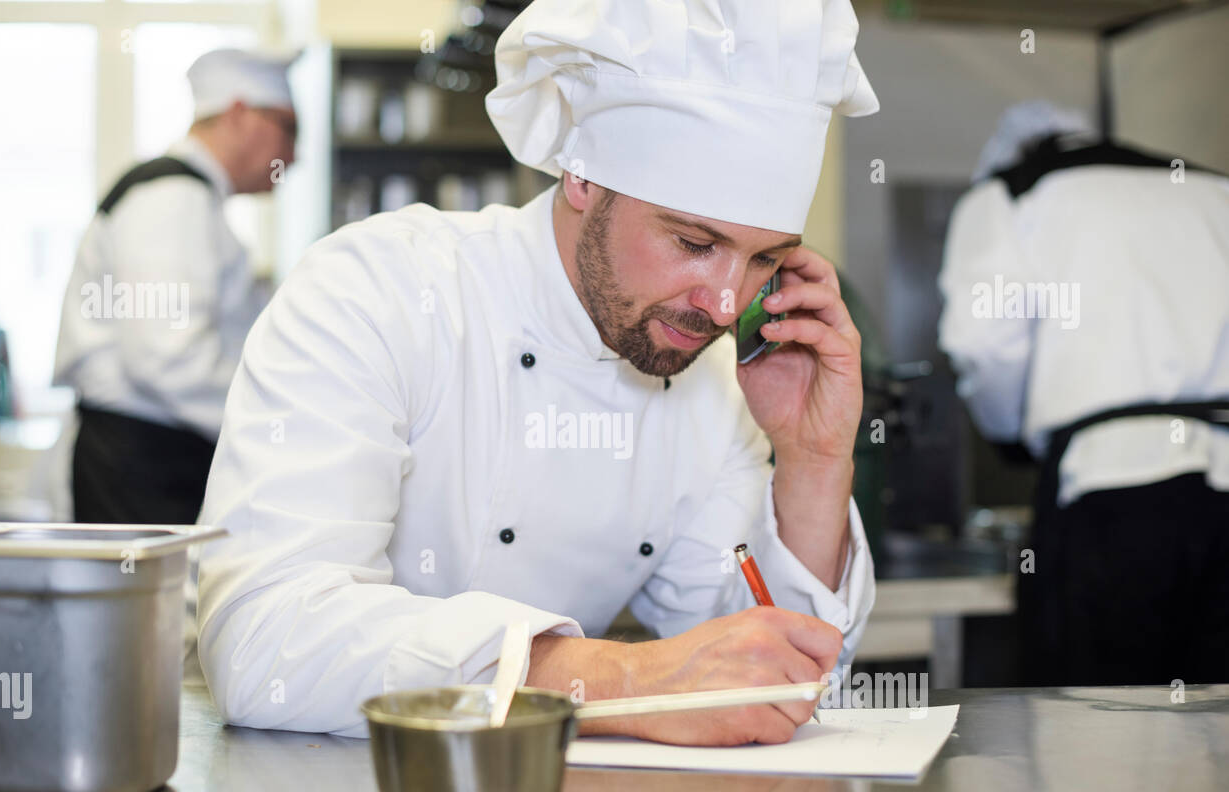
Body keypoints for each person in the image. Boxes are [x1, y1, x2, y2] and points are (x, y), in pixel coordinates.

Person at [196, 0, 880, 744]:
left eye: (765, 260)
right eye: (692, 242)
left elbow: (767, 678)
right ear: (581, 176)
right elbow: (265, 640)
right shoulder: (381, 291)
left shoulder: (712, 393)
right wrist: (625, 679)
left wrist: (813, 459)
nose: (723, 306)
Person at [938, 100, 1229, 686]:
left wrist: (1009, 436)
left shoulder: (1009, 194)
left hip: (1111, 491)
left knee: (1101, 735)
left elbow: (983, 342)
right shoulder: (1212, 189)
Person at [54, 48, 299, 524]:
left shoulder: (192, 200)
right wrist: (275, 428)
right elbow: (167, 359)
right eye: (289, 128)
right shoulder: (171, 197)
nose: (294, 155)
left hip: (154, 453)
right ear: (239, 114)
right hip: (141, 461)